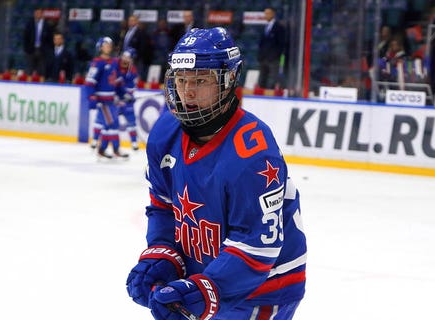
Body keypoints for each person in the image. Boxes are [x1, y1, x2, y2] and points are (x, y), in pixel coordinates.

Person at [126, 27, 307, 319]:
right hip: (207, 275)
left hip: (262, 290)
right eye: (182, 80)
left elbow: (256, 245)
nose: (188, 92)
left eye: (200, 80)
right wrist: (162, 253)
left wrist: (207, 289)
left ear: (228, 80)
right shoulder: (164, 133)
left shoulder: (252, 152)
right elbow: (163, 206)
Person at [84, 37, 128, 159]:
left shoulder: (114, 62)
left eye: (110, 44)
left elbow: (118, 80)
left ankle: (104, 149)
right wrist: (92, 98)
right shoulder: (96, 63)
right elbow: (90, 82)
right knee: (111, 124)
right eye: (105, 44)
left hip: (112, 100)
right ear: (100, 47)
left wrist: (123, 93)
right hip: (102, 101)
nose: (108, 46)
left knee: (113, 124)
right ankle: (112, 148)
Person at [116, 48, 140, 151]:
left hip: (127, 102)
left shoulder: (133, 71)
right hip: (115, 100)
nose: (125, 59)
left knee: (131, 122)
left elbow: (132, 88)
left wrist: (129, 96)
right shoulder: (115, 67)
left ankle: (134, 143)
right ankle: (103, 142)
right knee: (111, 122)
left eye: (128, 57)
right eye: (124, 56)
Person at [257, 7, 286, 89]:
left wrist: (276, 56)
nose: (266, 15)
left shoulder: (279, 27)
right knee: (262, 79)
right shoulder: (264, 27)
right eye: (265, 13)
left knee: (273, 79)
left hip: (273, 59)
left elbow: (281, 43)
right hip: (263, 58)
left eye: (268, 13)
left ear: (273, 14)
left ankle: (271, 97)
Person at [119, 15, 153, 81]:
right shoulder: (125, 31)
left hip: (136, 60)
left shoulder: (141, 32)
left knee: (136, 77)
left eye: (132, 20)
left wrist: (135, 57)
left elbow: (142, 47)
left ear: (137, 22)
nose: (130, 22)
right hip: (124, 59)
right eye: (129, 20)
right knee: (124, 76)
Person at [23, 8, 54, 77]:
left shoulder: (47, 25)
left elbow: (50, 39)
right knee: (29, 70)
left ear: (42, 14)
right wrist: (26, 49)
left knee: (42, 70)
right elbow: (25, 37)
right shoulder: (29, 24)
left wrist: (47, 50)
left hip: (43, 51)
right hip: (31, 50)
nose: (37, 15)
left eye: (39, 13)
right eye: (36, 13)